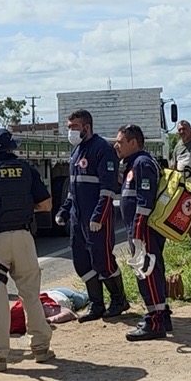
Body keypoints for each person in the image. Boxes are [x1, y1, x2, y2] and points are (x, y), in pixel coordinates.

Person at [0, 129, 54, 370]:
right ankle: (41, 347)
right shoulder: (26, 169)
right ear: (11, 147)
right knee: (31, 294)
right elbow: (46, 204)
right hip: (24, 237)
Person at [57, 109, 130, 321]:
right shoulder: (76, 151)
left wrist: (99, 216)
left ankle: (119, 300)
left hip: (97, 218)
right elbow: (73, 188)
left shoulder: (102, 149)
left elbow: (108, 189)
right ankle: (96, 304)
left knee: (102, 261)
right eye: (69, 127)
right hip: (78, 218)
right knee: (81, 262)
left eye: (74, 127)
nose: (70, 131)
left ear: (87, 127)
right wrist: (64, 210)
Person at [115, 124, 171, 341]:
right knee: (151, 271)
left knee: (147, 273)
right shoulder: (134, 163)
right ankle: (162, 316)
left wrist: (138, 232)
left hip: (144, 229)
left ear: (133, 142)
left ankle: (155, 321)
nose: (116, 145)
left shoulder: (142, 163)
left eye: (120, 142)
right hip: (140, 229)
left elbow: (144, 201)